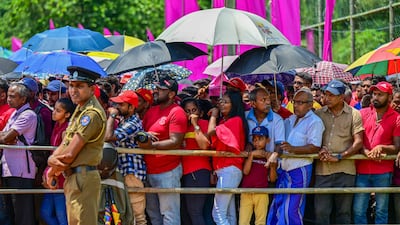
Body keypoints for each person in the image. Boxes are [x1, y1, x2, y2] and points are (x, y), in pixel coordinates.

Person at [46, 66, 107, 225]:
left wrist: (52, 164)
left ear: (92, 89)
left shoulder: (91, 114)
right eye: (71, 85)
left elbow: (69, 154)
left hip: (83, 177)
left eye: (79, 86)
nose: (73, 90)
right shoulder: (80, 109)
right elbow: (66, 142)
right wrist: (53, 167)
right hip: (75, 177)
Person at [268, 87, 325, 225]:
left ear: (310, 104)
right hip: (283, 168)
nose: (296, 105)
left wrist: (293, 149)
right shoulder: (291, 119)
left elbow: (315, 146)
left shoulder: (315, 122)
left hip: (300, 169)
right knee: (278, 205)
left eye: (301, 102)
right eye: (295, 102)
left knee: (292, 208)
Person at [138, 75, 187, 225]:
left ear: (172, 94)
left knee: (169, 215)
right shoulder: (151, 111)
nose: (156, 91)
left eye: (161, 89)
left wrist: (152, 146)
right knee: (154, 215)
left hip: (168, 170)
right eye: (157, 88)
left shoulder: (177, 112)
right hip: (149, 169)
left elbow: (176, 141)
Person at [314, 80, 364, 225]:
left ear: (342, 97)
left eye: (332, 95)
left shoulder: (354, 114)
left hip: (345, 170)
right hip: (323, 170)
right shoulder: (318, 114)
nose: (327, 98)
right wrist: (319, 148)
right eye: (326, 94)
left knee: (344, 213)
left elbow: (358, 142)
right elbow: (312, 139)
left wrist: (341, 156)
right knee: (321, 212)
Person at [353, 81, 400, 224]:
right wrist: (365, 150)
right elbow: (356, 139)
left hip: (383, 170)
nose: (375, 97)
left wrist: (381, 147)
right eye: (374, 94)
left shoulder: (397, 117)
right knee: (358, 210)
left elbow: (397, 146)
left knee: (381, 210)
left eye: (380, 94)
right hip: (362, 168)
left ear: (389, 97)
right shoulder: (362, 113)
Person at [104, 90, 147, 225]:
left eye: (121, 104)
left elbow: (108, 137)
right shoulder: (125, 120)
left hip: (132, 173)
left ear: (131, 107)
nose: (117, 107)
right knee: (126, 215)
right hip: (124, 172)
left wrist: (112, 115)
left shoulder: (133, 122)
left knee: (138, 216)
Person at [207, 91, 248, 225]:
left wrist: (213, 115)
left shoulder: (235, 120)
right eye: (221, 101)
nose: (221, 104)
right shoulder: (226, 121)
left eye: (225, 102)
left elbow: (211, 131)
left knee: (218, 214)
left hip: (229, 170)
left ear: (234, 104)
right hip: (225, 170)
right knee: (229, 213)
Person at [0, 82, 37, 225]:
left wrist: (6, 138)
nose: (8, 99)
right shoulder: (15, 113)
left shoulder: (28, 115)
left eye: (12, 96)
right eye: (8, 96)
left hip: (21, 171)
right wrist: (5, 137)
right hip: (9, 168)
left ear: (23, 99)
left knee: (23, 214)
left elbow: (6, 137)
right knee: (11, 212)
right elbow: (5, 136)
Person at [41, 98, 75, 225]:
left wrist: (52, 172)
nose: (53, 112)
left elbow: (65, 155)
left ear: (67, 114)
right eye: (54, 109)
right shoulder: (56, 125)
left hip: (60, 176)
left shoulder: (66, 130)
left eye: (58, 111)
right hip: (52, 173)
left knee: (62, 217)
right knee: (45, 212)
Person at [180, 97, 211, 225]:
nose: (191, 114)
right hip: (184, 172)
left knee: (195, 212)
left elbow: (204, 145)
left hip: (198, 171)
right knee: (187, 213)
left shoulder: (203, 124)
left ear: (200, 112)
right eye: (187, 111)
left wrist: (195, 124)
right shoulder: (181, 126)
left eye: (194, 110)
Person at [239, 126, 277, 225]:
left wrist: (272, 166)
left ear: (267, 140)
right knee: (243, 221)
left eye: (260, 139)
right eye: (255, 140)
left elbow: (272, 179)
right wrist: (251, 155)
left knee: (260, 222)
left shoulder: (269, 156)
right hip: (246, 192)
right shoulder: (249, 154)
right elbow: (246, 172)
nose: (257, 142)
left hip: (262, 193)